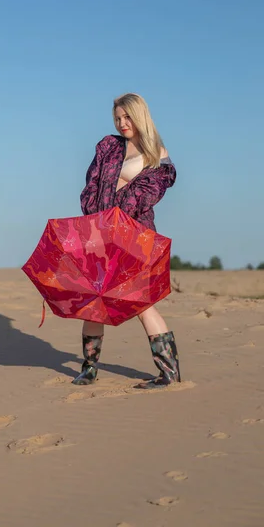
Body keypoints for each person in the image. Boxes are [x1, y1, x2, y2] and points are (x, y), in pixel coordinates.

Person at [73, 93, 180, 389]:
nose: (122, 123)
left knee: (141, 303)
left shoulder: (156, 153)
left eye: (127, 117)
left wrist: (115, 214)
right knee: (94, 301)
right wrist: (96, 221)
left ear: (140, 116)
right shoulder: (108, 147)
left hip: (135, 237)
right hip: (100, 233)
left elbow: (149, 193)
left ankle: (169, 373)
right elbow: (91, 186)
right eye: (118, 118)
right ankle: (89, 368)